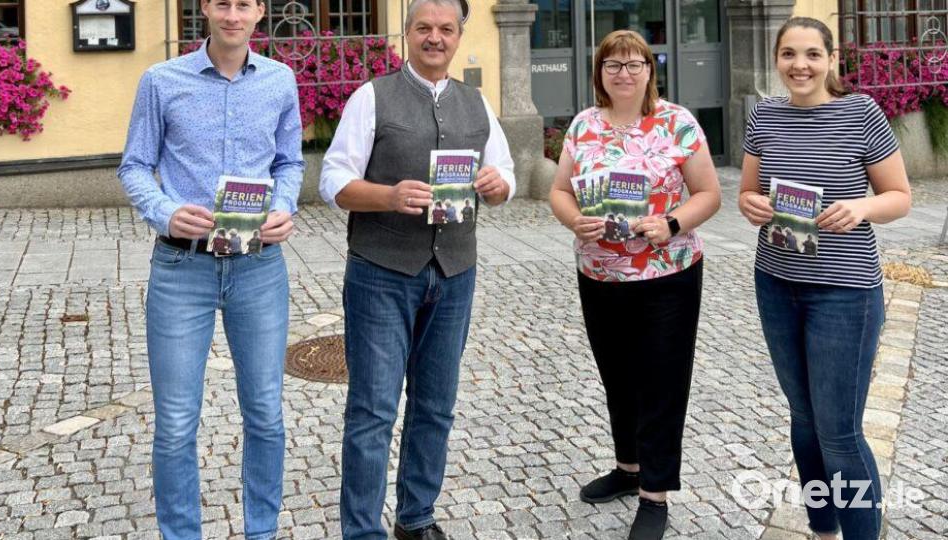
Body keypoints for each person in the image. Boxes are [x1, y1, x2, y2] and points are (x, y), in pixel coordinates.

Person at [318, 0, 515, 538]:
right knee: (373, 411)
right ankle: (362, 531)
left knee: (434, 405)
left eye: (445, 29)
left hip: (454, 271)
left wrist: (500, 187)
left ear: (458, 36)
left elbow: (505, 175)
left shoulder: (477, 102)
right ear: (407, 34)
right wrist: (386, 195)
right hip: (382, 270)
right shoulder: (371, 96)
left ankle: (416, 518)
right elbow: (332, 181)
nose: (435, 37)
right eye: (424, 27)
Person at [116, 0, 304, 538]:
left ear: (260, 12)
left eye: (244, 4)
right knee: (176, 423)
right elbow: (134, 165)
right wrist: (164, 211)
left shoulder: (280, 80)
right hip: (182, 268)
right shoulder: (161, 80)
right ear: (205, 7)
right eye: (222, 2)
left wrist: (285, 205)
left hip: (259, 267)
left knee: (265, 414)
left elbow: (289, 161)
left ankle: (261, 531)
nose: (232, 14)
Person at [737, 17, 910, 540]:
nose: (800, 65)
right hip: (776, 283)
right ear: (776, 59)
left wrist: (859, 207)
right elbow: (748, 192)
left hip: (846, 293)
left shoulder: (861, 113)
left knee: (839, 433)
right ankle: (823, 527)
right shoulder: (764, 115)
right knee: (804, 419)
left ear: (831, 59)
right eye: (789, 54)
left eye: (812, 54)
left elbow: (899, 197)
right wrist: (751, 206)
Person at [548, 29, 720, 540]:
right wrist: (573, 220)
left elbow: (708, 194)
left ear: (650, 70)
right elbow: (560, 192)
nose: (623, 73)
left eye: (634, 64)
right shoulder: (582, 125)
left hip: (667, 275)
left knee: (661, 381)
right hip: (599, 274)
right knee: (616, 375)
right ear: (599, 73)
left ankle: (655, 493)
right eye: (612, 65)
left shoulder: (677, 123)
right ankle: (628, 469)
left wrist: (669, 224)